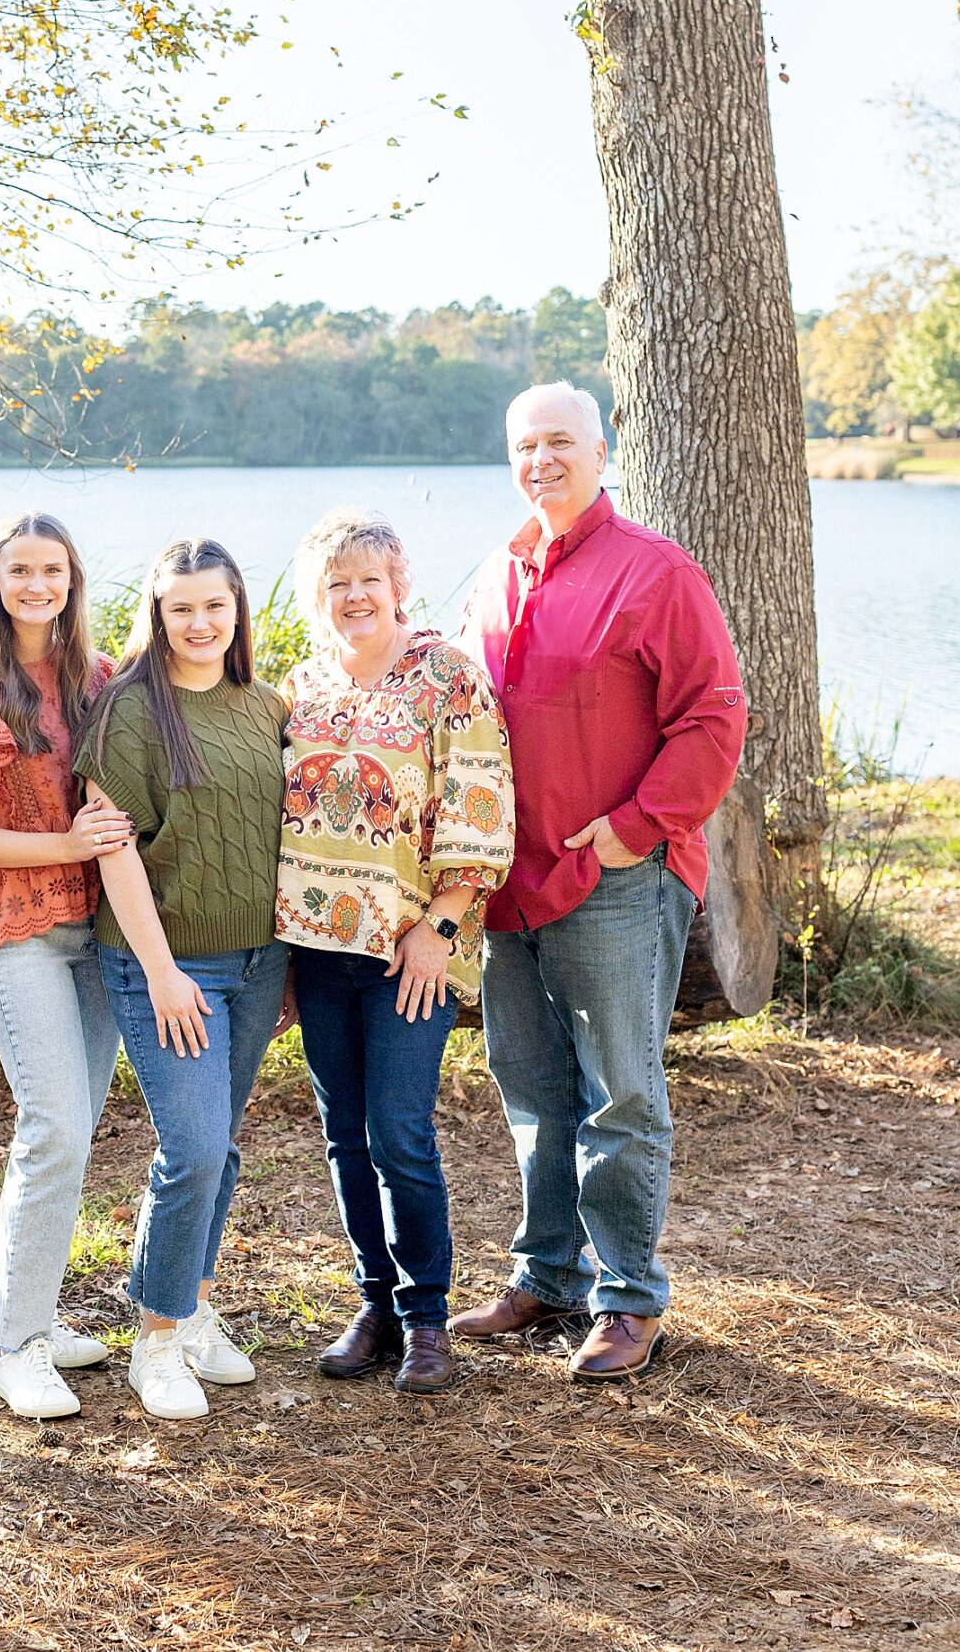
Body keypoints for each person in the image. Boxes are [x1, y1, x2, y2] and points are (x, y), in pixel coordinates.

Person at [455, 382, 748, 1384]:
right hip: (509, 886)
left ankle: (628, 1295)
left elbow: (714, 719)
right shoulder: (496, 571)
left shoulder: (657, 572)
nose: (542, 459)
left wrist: (632, 832)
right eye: (525, 444)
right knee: (532, 1087)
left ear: (601, 447)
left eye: (560, 442)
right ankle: (549, 1273)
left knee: (618, 1094)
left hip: (616, 878)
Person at [277, 510, 513, 1395]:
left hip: (411, 948)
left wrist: (439, 926)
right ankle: (371, 1304)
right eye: (335, 583)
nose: (353, 596)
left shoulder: (446, 678)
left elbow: (479, 809)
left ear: (398, 584)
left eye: (367, 579)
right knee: (344, 1135)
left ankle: (425, 1320)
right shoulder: (299, 686)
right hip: (316, 950)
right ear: (318, 597)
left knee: (399, 1132)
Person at [0, 513, 133, 1422]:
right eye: (20, 571)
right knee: (52, 1124)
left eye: (52, 569)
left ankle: (30, 1306)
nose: (37, 584)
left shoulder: (98, 678)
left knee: (75, 1127)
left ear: (72, 578)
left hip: (94, 929)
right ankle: (14, 1346)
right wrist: (64, 843)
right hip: (10, 927)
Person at [74, 539, 289, 1423]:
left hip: (258, 962)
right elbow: (110, 845)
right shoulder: (130, 713)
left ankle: (193, 1304)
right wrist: (161, 971)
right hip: (164, 963)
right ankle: (155, 1339)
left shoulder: (264, 704)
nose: (199, 624)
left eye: (214, 606)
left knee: (222, 1144)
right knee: (192, 1147)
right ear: (156, 617)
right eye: (179, 608)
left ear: (237, 609)